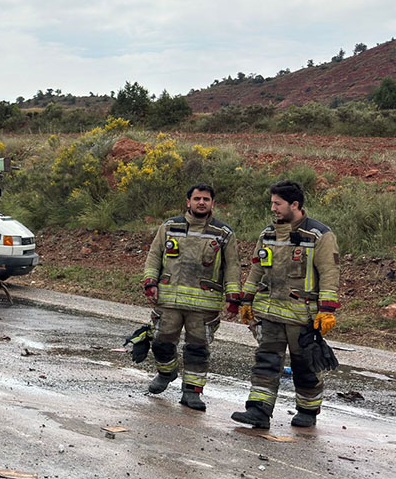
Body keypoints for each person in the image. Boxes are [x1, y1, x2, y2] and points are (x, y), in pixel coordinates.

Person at [232, 180, 341, 429]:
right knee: (266, 361)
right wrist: (247, 300)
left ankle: (308, 411)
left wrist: (326, 310)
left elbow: (329, 273)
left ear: (295, 204)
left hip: (302, 316)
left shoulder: (319, 235)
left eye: (278, 204)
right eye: (272, 203)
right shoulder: (268, 234)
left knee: (305, 365)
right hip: (269, 312)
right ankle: (258, 411)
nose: (273, 208)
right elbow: (257, 268)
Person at [141, 184, 241, 411]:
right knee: (161, 342)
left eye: (206, 199)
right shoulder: (169, 226)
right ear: (188, 202)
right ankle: (166, 372)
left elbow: (232, 266)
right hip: (168, 300)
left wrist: (233, 297)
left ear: (212, 204)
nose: (201, 202)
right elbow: (154, 256)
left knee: (198, 349)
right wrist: (150, 283)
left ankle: (192, 393)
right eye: (197, 198)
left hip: (204, 304)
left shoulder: (224, 233)